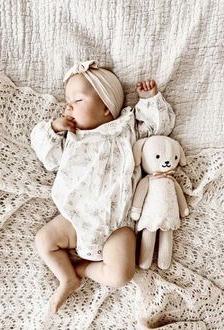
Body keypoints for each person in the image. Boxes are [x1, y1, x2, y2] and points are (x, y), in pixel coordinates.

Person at [30, 60, 175, 313]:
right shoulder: (73, 138)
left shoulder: (126, 129)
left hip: (116, 224)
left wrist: (150, 101)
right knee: (44, 240)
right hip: (76, 216)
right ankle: (67, 278)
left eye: (77, 100)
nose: (68, 106)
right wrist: (54, 129)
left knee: (121, 275)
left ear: (107, 108)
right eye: (68, 101)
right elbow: (49, 158)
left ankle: (83, 269)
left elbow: (158, 129)